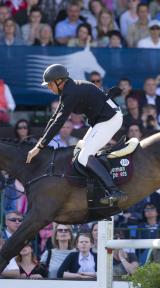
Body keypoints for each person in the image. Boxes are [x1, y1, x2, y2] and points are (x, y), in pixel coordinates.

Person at [26, 64, 127, 205]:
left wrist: (40, 146)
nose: (49, 88)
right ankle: (99, 189)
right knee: (80, 153)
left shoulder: (71, 92)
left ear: (59, 81)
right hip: (102, 120)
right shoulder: (69, 89)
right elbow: (54, 118)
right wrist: (40, 142)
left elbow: (59, 122)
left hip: (110, 120)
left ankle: (114, 191)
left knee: (85, 156)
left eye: (50, 85)